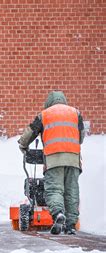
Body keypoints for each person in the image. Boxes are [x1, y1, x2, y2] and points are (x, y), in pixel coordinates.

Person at [18, 91, 85, 235]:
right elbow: (81, 136)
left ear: (49, 102)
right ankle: (71, 225)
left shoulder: (45, 114)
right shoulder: (75, 113)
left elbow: (30, 132)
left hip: (53, 158)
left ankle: (58, 214)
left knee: (54, 189)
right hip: (73, 158)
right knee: (71, 191)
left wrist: (23, 145)